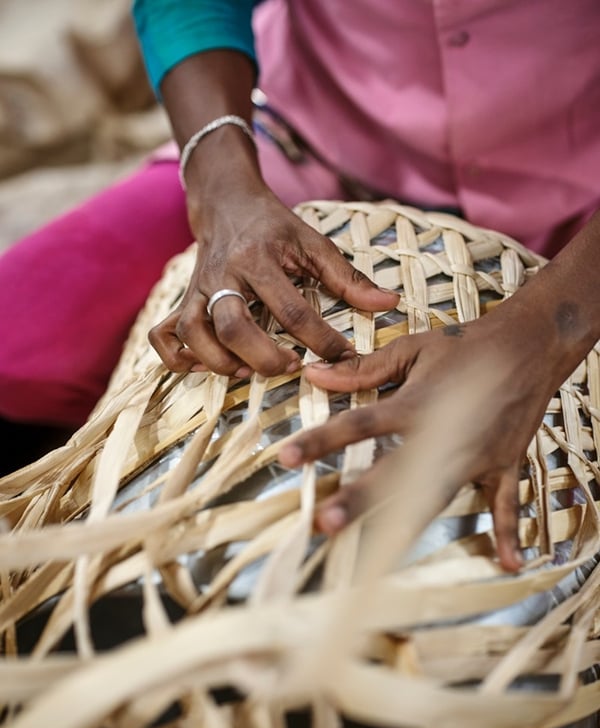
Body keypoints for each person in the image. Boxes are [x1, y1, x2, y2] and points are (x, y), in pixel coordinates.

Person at [1, 1, 599, 572]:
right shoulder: (245, 173)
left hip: (578, 223)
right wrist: (221, 187)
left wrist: (553, 325)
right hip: (286, 155)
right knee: (15, 339)